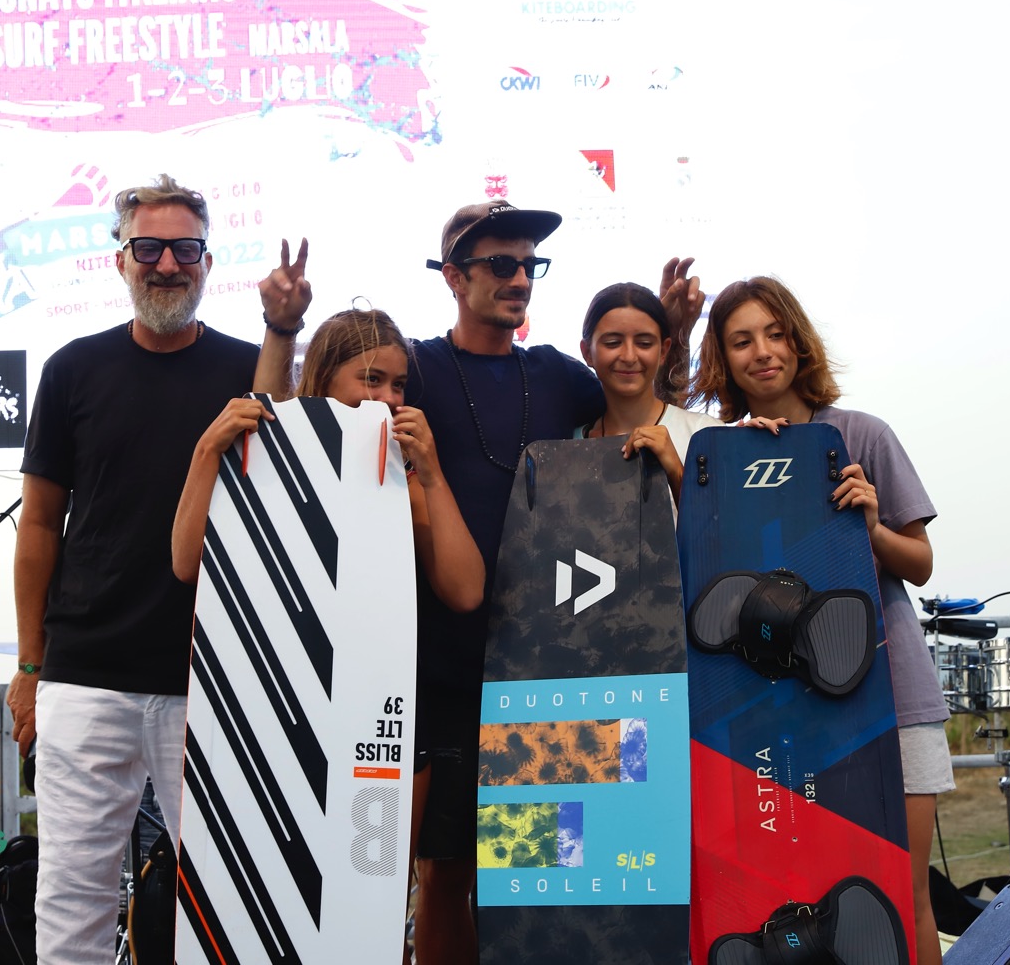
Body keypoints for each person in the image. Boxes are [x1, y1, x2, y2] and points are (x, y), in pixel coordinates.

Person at [255, 202, 704, 963]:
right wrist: (281, 330)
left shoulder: (559, 375)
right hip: (440, 667)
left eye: (529, 264)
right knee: (442, 875)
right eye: (500, 264)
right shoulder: (413, 369)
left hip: (545, 674)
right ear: (454, 277)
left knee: (533, 872)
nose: (519, 278)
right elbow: (284, 426)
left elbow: (643, 401)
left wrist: (678, 336)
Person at [170, 306, 485, 965]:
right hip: (274, 718)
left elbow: (465, 589)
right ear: (323, 376)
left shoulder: (400, 470)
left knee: (375, 906)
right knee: (267, 903)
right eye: (371, 379)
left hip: (383, 723)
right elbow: (186, 563)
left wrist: (430, 473)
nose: (387, 398)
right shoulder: (263, 445)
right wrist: (204, 450)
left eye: (398, 385)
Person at [6, 174, 262, 965]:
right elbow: (40, 523)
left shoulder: (252, 371)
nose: (167, 264)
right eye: (148, 248)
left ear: (208, 261)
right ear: (120, 260)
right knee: (72, 899)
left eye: (184, 249)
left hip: (214, 679)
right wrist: (28, 666)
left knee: (230, 901)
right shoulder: (73, 369)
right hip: (86, 675)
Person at [691, 275, 951, 965]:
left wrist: (871, 524)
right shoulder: (717, 453)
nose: (762, 352)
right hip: (783, 708)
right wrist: (745, 466)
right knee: (805, 901)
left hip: (894, 693)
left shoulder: (862, 433)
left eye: (775, 334)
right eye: (741, 341)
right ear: (722, 359)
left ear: (799, 342)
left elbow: (920, 564)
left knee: (906, 897)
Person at [576, 282, 720, 499]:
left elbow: (725, 519)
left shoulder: (703, 433)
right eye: (613, 343)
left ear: (663, 351)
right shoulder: (569, 444)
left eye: (644, 343)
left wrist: (677, 472)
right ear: (587, 352)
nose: (629, 356)